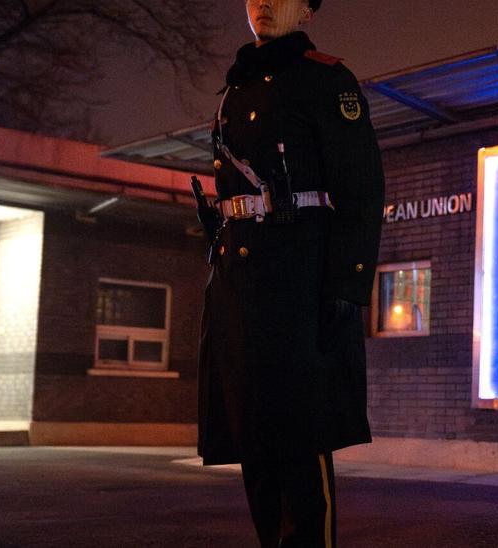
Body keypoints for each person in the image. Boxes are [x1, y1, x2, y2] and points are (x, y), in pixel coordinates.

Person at [195, 0, 385, 546]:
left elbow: (361, 191)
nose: (263, 3)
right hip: (240, 285)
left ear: (306, 8)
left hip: (298, 284)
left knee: (300, 444)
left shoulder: (326, 80)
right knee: (255, 446)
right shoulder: (235, 88)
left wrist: (347, 284)